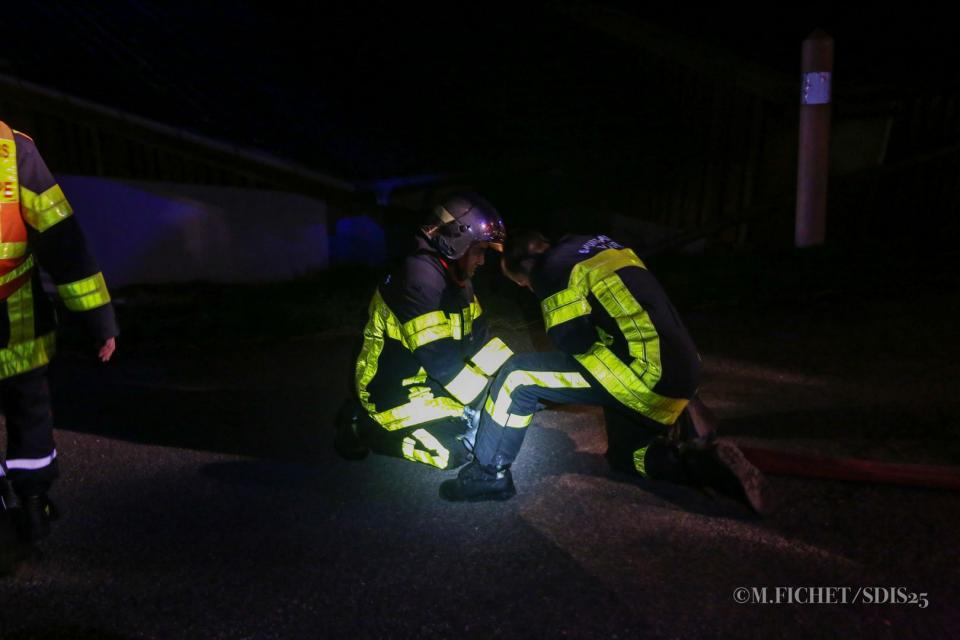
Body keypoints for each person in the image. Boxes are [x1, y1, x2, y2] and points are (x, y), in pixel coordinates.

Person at [440, 230, 770, 512]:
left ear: (526, 268)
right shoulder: (597, 245)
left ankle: (488, 474)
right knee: (627, 458)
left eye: (523, 283)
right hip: (682, 370)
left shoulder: (550, 270)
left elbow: (573, 341)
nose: (529, 289)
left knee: (518, 376)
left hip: (643, 374)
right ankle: (706, 466)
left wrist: (550, 389)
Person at [0, 120, 118, 543]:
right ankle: (33, 506)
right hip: (19, 324)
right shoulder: (13, 149)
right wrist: (98, 320)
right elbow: (63, 241)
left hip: (19, 324)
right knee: (29, 415)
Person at [334, 193, 513, 470]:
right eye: (479, 251)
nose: (482, 261)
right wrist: (491, 399)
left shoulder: (458, 281)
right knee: (455, 453)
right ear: (456, 244)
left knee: (474, 428)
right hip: (390, 392)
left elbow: (480, 341)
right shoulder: (418, 284)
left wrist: (516, 375)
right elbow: (442, 362)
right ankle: (361, 427)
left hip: (427, 383)